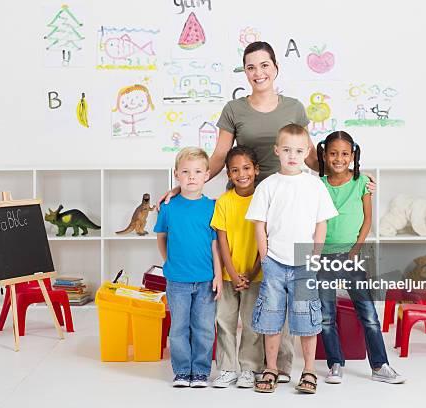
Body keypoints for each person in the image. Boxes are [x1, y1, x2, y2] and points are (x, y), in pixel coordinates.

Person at [158, 40, 376, 382]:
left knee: (285, 289)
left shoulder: (293, 107)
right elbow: (218, 156)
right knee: (252, 289)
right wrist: (189, 185)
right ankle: (243, 366)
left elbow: (309, 157)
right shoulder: (234, 108)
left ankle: (281, 365)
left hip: (287, 208)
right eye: (250, 67)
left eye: (264, 65)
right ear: (245, 72)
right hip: (246, 203)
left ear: (275, 67)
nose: (258, 72)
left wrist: (350, 175)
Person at [246, 124, 338, 394]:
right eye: (286, 150)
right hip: (274, 261)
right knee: (271, 317)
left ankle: (308, 369)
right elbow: (258, 225)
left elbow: (321, 224)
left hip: (303, 260)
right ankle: (271, 368)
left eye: (299, 151)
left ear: (307, 151)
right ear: (277, 151)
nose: (292, 155)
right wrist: (264, 257)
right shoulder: (268, 185)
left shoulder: (314, 185)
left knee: (306, 318)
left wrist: (315, 255)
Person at [316, 131, 406, 384]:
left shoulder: (361, 183)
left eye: (345, 153)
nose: (339, 158)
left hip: (352, 256)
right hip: (322, 257)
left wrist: (354, 251)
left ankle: (380, 366)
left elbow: (367, 220)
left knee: (368, 314)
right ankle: (335, 363)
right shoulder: (318, 184)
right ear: (324, 154)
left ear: (353, 156)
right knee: (326, 315)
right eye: (333, 153)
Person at [154, 147, 223, 388]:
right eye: (185, 172)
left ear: (206, 175)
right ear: (176, 175)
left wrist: (218, 275)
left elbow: (216, 245)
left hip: (206, 280)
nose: (191, 176)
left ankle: (201, 372)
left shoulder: (213, 207)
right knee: (179, 327)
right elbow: (161, 237)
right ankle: (182, 371)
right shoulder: (168, 207)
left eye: (197, 172)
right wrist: (168, 261)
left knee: (204, 328)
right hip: (177, 281)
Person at [210, 146, 264, 389]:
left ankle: (249, 368)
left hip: (257, 274)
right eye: (235, 170)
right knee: (224, 321)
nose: (241, 174)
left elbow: (267, 238)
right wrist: (231, 273)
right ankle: (227, 368)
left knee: (252, 323)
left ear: (256, 170)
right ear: (228, 175)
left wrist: (252, 273)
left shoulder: (264, 199)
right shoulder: (224, 202)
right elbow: (221, 240)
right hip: (228, 274)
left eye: (246, 168)